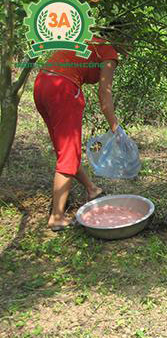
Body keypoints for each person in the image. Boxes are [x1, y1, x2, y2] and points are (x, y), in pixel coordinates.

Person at [34, 25, 127, 231]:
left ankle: (92, 189)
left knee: (66, 150)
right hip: (64, 88)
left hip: (42, 83)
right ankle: (56, 217)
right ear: (122, 40)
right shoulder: (109, 51)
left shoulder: (89, 40)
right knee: (68, 154)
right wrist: (116, 129)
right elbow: (105, 95)